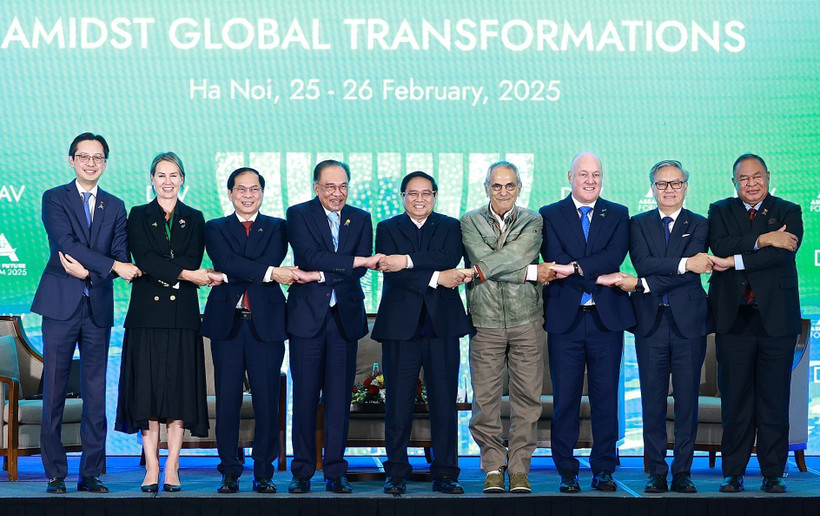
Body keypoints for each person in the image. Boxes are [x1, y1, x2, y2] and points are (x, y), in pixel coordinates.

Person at [31, 133, 141, 494]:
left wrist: (92, 273)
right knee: (55, 389)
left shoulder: (116, 205)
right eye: (84, 156)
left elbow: (122, 256)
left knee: (96, 394)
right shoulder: (54, 198)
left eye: (98, 158)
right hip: (60, 305)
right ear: (71, 160)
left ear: (106, 163)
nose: (91, 162)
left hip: (97, 306)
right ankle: (55, 473)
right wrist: (108, 266)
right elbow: (66, 244)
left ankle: (91, 472)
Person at [115, 152, 217, 492]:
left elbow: (191, 256)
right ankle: (151, 468)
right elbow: (143, 258)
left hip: (182, 315)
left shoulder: (195, 217)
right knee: (147, 392)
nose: (167, 181)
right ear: (152, 179)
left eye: (174, 175)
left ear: (183, 179)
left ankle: (172, 465)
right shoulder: (138, 215)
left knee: (178, 392)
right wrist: (188, 274)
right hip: (146, 314)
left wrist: (171, 267)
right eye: (161, 175)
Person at [612, 160, 713, 493]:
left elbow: (665, 275)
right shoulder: (637, 223)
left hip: (689, 324)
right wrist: (684, 264)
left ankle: (682, 471)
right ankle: (656, 469)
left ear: (686, 186)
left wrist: (642, 284)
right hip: (650, 322)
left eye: (675, 183)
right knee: (651, 400)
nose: (669, 190)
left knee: (687, 401)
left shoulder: (700, 223)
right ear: (652, 187)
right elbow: (644, 263)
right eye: (662, 184)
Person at [372, 171, 472, 495]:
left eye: (426, 193)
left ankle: (445, 472)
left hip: (441, 325)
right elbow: (392, 271)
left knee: (444, 402)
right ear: (402, 197)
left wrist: (407, 260)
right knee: (397, 404)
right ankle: (396, 472)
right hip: (400, 327)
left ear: (435, 195)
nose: (419, 199)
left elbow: (448, 258)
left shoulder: (450, 226)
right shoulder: (386, 228)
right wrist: (434, 278)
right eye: (412, 194)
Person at [540, 152, 635, 493]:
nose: (590, 180)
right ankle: (566, 469)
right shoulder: (549, 214)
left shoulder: (619, 213)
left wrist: (576, 270)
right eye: (584, 174)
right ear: (570, 177)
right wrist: (592, 273)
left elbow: (614, 257)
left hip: (605, 320)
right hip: (565, 320)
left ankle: (604, 468)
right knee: (565, 398)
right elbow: (554, 259)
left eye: (596, 174)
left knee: (605, 397)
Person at [707, 153, 802, 494]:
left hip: (776, 321)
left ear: (767, 177)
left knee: (774, 401)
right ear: (734, 182)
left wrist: (734, 259)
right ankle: (733, 472)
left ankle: (773, 473)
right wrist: (763, 239)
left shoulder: (789, 210)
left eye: (757, 176)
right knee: (736, 401)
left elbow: (783, 253)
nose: (751, 183)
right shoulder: (719, 210)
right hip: (734, 320)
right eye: (744, 178)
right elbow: (718, 245)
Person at [285, 159, 382, 494]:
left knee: (340, 400)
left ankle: (336, 471)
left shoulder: (361, 217)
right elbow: (309, 256)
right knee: (305, 398)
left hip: (344, 319)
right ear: (316, 187)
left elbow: (360, 269)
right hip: (306, 320)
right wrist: (341, 264)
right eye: (330, 187)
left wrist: (325, 274)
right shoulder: (298, 214)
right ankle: (302, 471)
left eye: (343, 186)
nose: (337, 193)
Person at [201, 167, 297, 494]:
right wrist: (268, 273)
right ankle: (229, 471)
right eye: (240, 189)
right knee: (227, 401)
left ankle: (264, 472)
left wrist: (232, 273)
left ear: (262, 193)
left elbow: (238, 264)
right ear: (230, 193)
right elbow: (225, 260)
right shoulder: (214, 227)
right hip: (227, 326)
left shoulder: (278, 227)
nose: (247, 194)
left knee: (267, 401)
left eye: (253, 189)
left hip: (266, 325)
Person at [461, 161, 553, 494]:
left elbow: (516, 255)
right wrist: (530, 273)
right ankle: (493, 467)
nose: (503, 192)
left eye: (509, 186)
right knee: (485, 401)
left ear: (519, 187)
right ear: (486, 187)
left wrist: (481, 270)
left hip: (527, 319)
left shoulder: (533, 219)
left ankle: (518, 469)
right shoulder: (469, 221)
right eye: (496, 186)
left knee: (527, 399)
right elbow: (485, 256)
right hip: (484, 321)